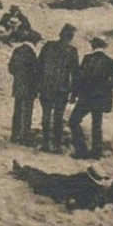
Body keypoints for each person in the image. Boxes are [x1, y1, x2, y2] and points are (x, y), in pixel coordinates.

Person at [10, 161, 113, 212]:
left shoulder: (95, 194)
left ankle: (22, 171)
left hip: (61, 188)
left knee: (44, 180)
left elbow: (75, 203)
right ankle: (24, 170)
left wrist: (66, 201)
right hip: (66, 184)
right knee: (46, 177)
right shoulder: (105, 196)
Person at [69, 36, 113, 159]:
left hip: (85, 97)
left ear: (93, 46)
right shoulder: (109, 61)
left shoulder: (87, 59)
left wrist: (74, 95)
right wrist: (104, 86)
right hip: (100, 98)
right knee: (96, 125)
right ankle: (96, 152)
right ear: (104, 47)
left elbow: (79, 79)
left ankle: (81, 150)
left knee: (74, 121)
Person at [36, 24, 79, 154]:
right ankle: (56, 145)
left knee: (47, 115)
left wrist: (38, 85)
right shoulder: (72, 51)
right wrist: (74, 93)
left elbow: (39, 66)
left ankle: (46, 143)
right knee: (58, 117)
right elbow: (76, 73)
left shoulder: (48, 46)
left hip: (47, 86)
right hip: (62, 88)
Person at [7, 38, 40, 144]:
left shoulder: (17, 50)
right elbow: (35, 72)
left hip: (18, 86)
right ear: (35, 42)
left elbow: (11, 68)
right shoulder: (31, 53)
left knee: (18, 111)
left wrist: (18, 76)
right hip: (29, 87)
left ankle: (15, 135)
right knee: (27, 112)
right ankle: (24, 136)